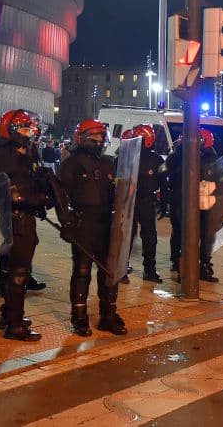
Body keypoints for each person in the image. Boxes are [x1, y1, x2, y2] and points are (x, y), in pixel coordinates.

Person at [60, 119, 127, 335]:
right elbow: (60, 196)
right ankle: (79, 316)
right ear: (83, 138)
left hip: (107, 221)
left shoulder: (108, 162)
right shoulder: (72, 163)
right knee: (82, 271)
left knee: (109, 270)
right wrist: (66, 222)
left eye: (101, 136)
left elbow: (121, 191)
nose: (99, 140)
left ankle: (108, 314)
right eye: (95, 136)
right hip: (84, 222)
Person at [0, 109, 47, 341]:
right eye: (23, 129)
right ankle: (14, 324)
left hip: (24, 215)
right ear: (10, 131)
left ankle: (9, 313)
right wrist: (35, 199)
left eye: (28, 129)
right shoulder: (4, 154)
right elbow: (6, 190)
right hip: (16, 216)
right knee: (19, 271)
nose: (28, 133)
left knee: (18, 266)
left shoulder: (23, 152)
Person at [122, 124, 166, 283]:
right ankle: (143, 269)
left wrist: (164, 200)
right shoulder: (129, 156)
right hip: (136, 200)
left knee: (142, 236)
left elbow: (163, 183)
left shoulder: (154, 159)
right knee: (134, 235)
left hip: (139, 200)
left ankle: (146, 269)